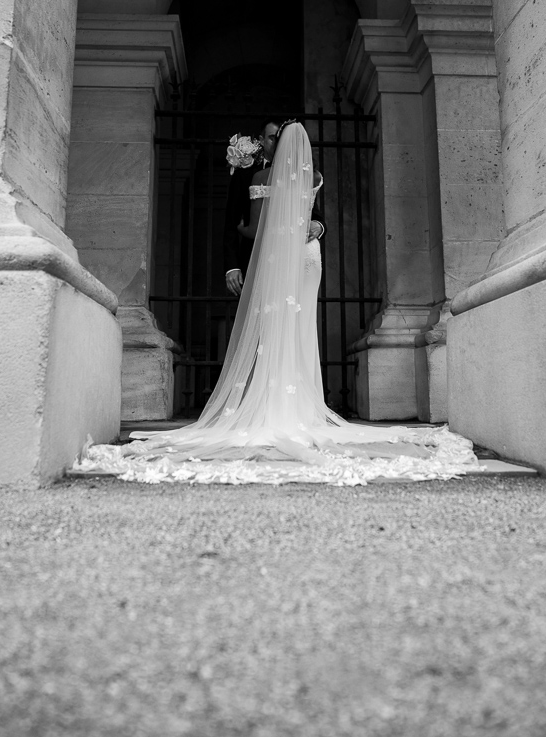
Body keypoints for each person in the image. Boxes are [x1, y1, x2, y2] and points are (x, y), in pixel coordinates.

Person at [74, 124, 479, 485]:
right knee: (297, 326)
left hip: (279, 254)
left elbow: (257, 223)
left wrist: (293, 227)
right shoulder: (308, 176)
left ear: (276, 144)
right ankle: (296, 401)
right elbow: (288, 217)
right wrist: (304, 231)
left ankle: (271, 401)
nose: (267, 142)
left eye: (272, 137)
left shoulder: (266, 177)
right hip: (307, 256)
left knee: (276, 324)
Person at [223, 118, 325, 297]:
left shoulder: (299, 173)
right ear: (261, 141)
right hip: (253, 259)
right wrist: (232, 266)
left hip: (291, 259)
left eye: (280, 137)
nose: (278, 143)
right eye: (272, 138)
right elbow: (231, 220)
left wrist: (319, 226)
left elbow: (313, 213)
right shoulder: (245, 175)